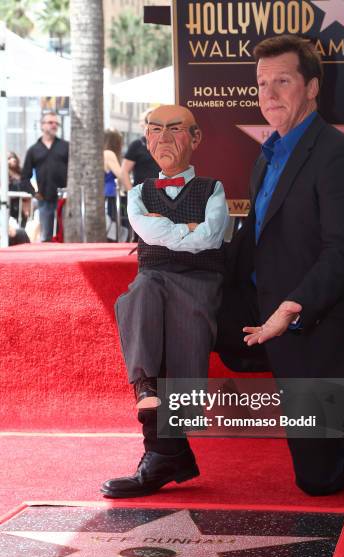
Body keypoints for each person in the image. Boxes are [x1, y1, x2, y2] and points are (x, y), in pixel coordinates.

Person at [216, 34, 344, 496]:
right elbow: (252, 240)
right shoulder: (267, 156)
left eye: (283, 81)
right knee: (156, 302)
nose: (268, 95)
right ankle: (164, 451)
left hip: (312, 324)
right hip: (256, 308)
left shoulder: (340, 158)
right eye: (261, 84)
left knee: (318, 480)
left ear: (312, 87)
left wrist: (289, 310)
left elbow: (341, 254)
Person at [101, 105, 229, 498]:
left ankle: (167, 450)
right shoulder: (137, 193)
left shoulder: (214, 189)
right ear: (146, 139)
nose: (164, 139)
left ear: (195, 138)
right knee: (140, 293)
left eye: (175, 130)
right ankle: (148, 399)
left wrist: (171, 232)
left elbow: (209, 237)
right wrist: (185, 229)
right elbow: (148, 229)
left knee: (173, 312)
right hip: (155, 282)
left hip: (199, 284)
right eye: (155, 130)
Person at [21, 112, 69, 242]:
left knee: (65, 236)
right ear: (42, 126)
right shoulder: (33, 150)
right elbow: (24, 177)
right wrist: (34, 192)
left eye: (56, 123)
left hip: (65, 199)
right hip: (44, 199)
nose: (54, 125)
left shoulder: (66, 146)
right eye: (50, 122)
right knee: (46, 237)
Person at [120, 109, 160, 191]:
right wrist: (132, 194)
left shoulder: (166, 144)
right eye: (149, 122)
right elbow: (124, 171)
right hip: (142, 194)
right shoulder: (137, 145)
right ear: (145, 124)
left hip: (164, 194)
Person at [103, 129, 123, 240]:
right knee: (112, 228)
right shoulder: (109, 154)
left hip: (105, 193)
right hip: (111, 194)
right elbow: (120, 174)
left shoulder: (102, 153)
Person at [8, 152, 31, 227]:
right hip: (10, 206)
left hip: (23, 207)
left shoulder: (21, 172)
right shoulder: (4, 174)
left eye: (14, 157)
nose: (13, 159)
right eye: (9, 158)